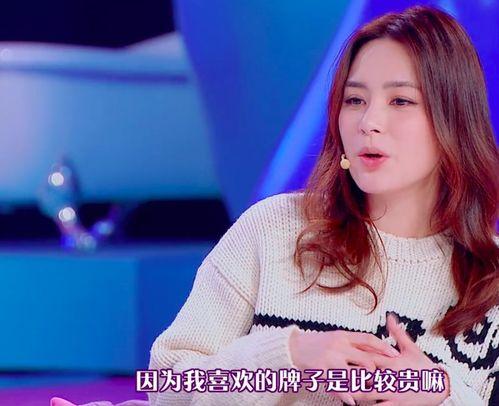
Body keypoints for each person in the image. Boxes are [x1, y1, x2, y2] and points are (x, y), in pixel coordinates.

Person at [148, 5, 499, 405]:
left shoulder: (491, 277)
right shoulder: (273, 228)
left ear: (454, 119)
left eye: (401, 101)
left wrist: (444, 396)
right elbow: (165, 388)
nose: (368, 122)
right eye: (355, 100)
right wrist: (290, 356)